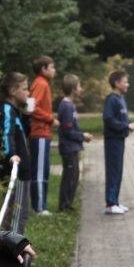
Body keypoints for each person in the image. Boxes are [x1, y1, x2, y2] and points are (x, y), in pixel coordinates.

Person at [0, 73, 33, 233]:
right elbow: (7, 134)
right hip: (15, 171)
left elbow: (21, 134)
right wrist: (11, 156)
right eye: (25, 89)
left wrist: (26, 116)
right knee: (15, 215)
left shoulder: (14, 111)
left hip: (23, 171)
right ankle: (14, 252)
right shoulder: (7, 110)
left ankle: (18, 249)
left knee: (22, 213)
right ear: (12, 91)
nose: (28, 93)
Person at [103, 69, 134, 215]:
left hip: (120, 139)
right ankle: (110, 203)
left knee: (118, 170)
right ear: (117, 83)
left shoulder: (121, 100)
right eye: (125, 82)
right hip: (112, 140)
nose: (128, 84)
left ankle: (116, 201)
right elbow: (108, 119)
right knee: (113, 171)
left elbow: (122, 120)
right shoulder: (111, 99)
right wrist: (126, 126)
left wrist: (131, 123)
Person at [28, 56, 59, 216]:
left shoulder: (42, 83)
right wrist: (50, 119)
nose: (54, 70)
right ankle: (39, 207)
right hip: (40, 133)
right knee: (40, 170)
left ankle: (40, 205)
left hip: (43, 133)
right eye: (52, 67)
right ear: (43, 69)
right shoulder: (40, 83)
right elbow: (32, 107)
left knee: (43, 169)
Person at [57, 75, 93, 212]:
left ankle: (68, 203)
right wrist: (82, 136)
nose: (81, 89)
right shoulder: (66, 107)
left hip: (73, 147)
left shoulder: (71, 105)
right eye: (79, 86)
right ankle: (64, 205)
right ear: (73, 89)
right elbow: (68, 130)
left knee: (74, 175)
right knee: (69, 176)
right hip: (68, 147)